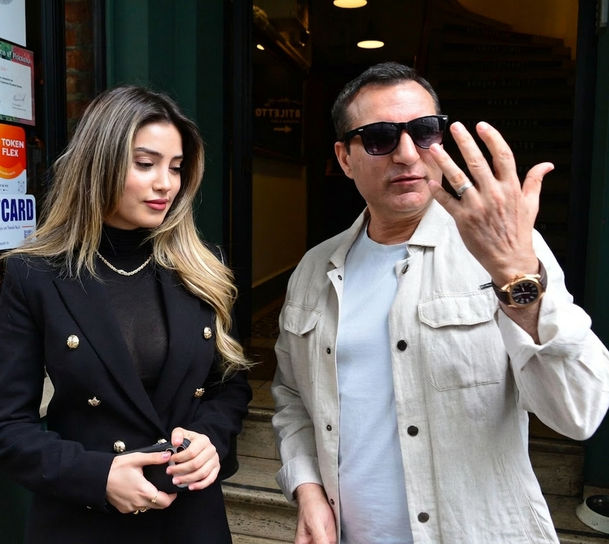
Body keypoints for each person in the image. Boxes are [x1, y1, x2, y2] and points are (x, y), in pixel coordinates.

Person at [271, 62, 609, 544]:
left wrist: (517, 279)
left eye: (425, 132)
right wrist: (307, 488)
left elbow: (579, 412)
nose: (407, 154)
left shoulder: (507, 252)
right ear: (344, 159)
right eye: (380, 138)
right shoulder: (314, 269)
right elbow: (292, 398)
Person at [0, 86, 252, 543]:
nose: (166, 184)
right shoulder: (34, 273)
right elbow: (8, 425)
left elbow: (229, 386)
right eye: (145, 164)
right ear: (99, 164)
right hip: (83, 522)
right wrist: (97, 476)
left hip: (189, 519)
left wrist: (210, 440)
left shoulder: (201, 266)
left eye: (175, 167)